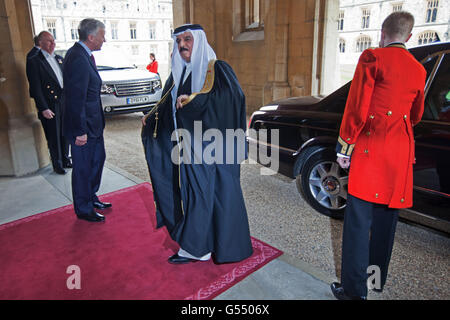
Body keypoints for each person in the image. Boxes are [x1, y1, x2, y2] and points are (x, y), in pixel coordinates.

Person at [331, 11, 426, 300]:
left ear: (383, 34)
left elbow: (357, 106)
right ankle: (374, 282)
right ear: (408, 37)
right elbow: (417, 115)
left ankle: (353, 291)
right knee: (386, 223)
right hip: (400, 153)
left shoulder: (373, 57)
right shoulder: (419, 69)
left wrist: (345, 147)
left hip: (372, 150)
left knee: (359, 225)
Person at [141, 24, 253, 264]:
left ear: (199, 41)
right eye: (179, 40)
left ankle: (214, 247)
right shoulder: (179, 74)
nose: (182, 45)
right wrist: (150, 118)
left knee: (217, 197)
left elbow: (232, 99)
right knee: (195, 195)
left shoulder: (217, 69)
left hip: (216, 150)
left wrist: (195, 100)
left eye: (188, 39)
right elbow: (165, 103)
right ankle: (199, 247)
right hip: (190, 149)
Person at [63, 18, 111, 223]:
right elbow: (75, 99)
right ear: (91, 37)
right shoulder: (78, 58)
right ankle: (83, 208)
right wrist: (79, 130)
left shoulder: (85, 55)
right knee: (83, 168)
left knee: (96, 161)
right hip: (84, 128)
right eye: (102, 36)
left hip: (94, 125)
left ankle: (91, 198)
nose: (104, 40)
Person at [26, 31, 71, 174]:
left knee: (65, 132)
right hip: (50, 104)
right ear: (40, 43)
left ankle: (65, 159)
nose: (53, 44)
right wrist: (43, 107)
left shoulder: (58, 58)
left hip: (63, 101)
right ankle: (57, 164)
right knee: (53, 135)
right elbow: (36, 87)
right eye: (49, 41)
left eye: (53, 41)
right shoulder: (35, 60)